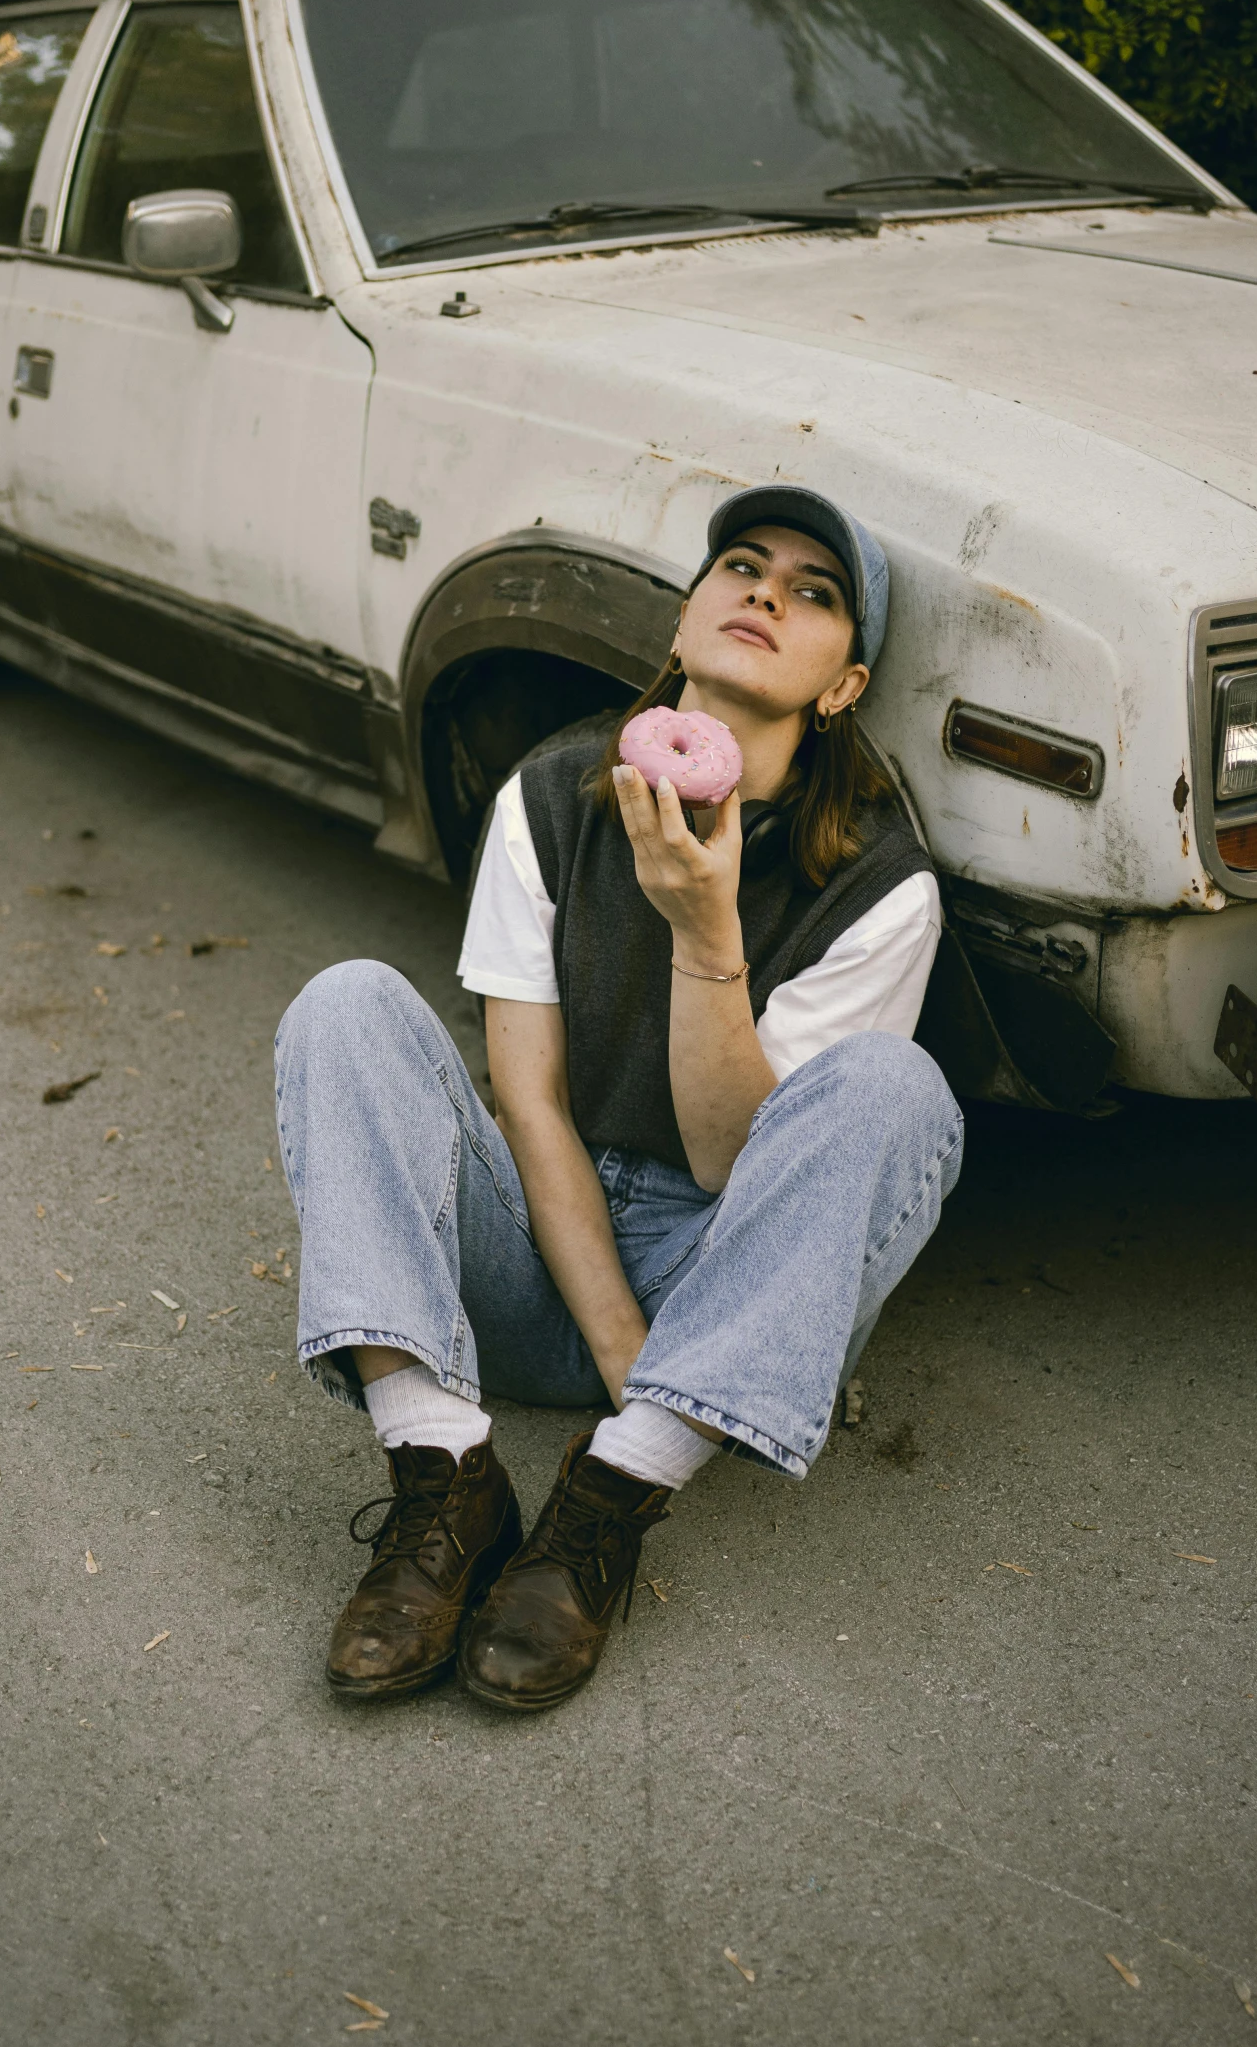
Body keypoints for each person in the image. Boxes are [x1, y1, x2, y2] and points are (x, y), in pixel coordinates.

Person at [274, 485, 963, 1712]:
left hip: (736, 1286)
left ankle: (608, 1499)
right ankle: (443, 1472)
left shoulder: (881, 889)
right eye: (741, 567)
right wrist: (620, 1350)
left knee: (893, 1091)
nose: (764, 592)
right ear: (689, 612)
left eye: (813, 593)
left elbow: (727, 1167)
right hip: (547, 1255)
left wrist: (707, 935)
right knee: (345, 1002)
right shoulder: (550, 798)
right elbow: (527, 1102)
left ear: (843, 684)